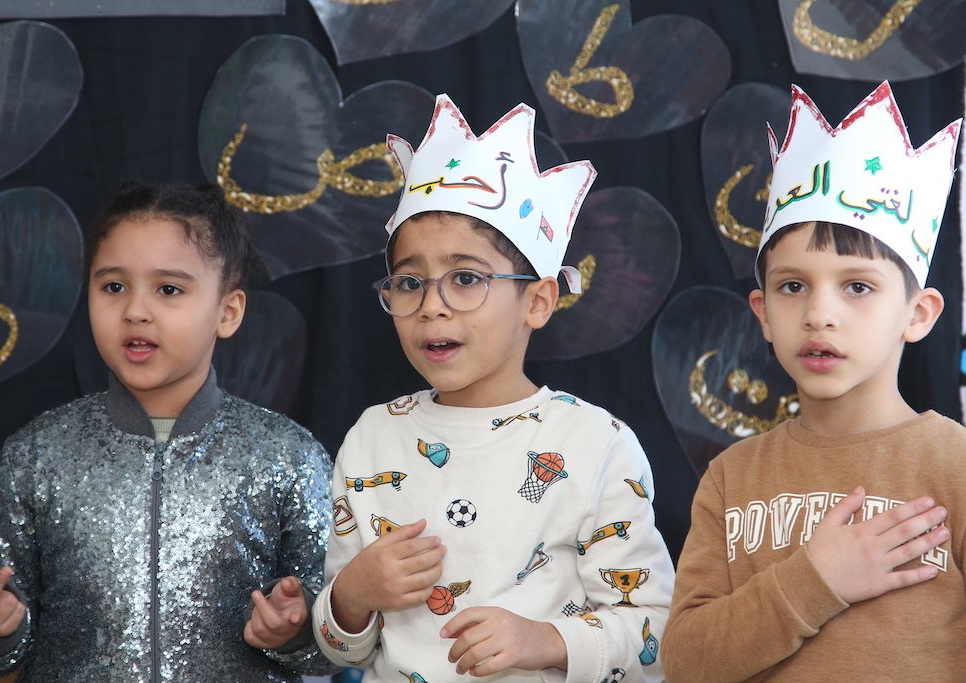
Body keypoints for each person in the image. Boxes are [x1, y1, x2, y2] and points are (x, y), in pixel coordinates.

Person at [310, 94, 675, 682]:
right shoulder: (373, 438)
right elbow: (340, 650)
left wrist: (547, 640)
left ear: (538, 301)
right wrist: (351, 596)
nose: (432, 306)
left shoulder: (595, 444)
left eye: (465, 278)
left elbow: (656, 635)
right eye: (410, 282)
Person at [0, 182, 335, 682]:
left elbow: (342, 635)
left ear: (228, 311)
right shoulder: (38, 454)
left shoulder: (287, 456)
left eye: (168, 289)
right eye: (114, 287)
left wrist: (298, 629)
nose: (135, 311)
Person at [662, 82, 965, 680]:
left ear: (918, 314)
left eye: (858, 287)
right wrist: (815, 579)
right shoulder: (731, 478)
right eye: (793, 286)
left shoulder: (954, 463)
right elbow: (685, 663)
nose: (819, 314)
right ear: (763, 313)